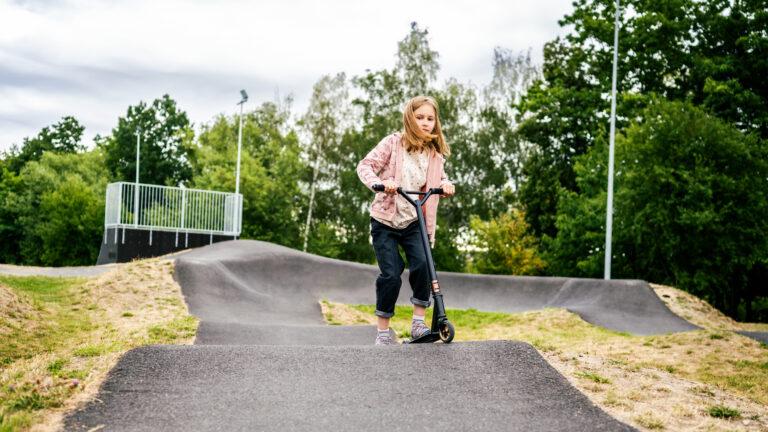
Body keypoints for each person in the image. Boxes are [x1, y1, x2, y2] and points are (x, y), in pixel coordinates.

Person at [356, 95, 455, 345]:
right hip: (385, 221)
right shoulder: (393, 143)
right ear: (409, 118)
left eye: (430, 118)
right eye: (420, 117)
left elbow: (440, 177)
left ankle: (418, 325)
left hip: (413, 219)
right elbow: (365, 166)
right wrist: (380, 183)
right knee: (391, 274)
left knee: (423, 264)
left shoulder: (433, 153)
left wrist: (446, 185)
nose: (425, 122)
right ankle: (382, 334)